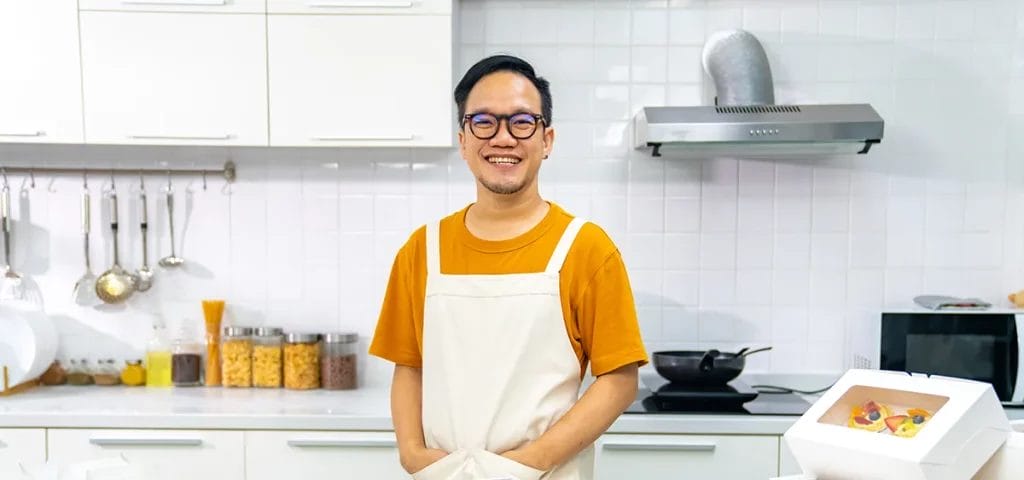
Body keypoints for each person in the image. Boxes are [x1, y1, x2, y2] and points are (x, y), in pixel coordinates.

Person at [369, 54, 648, 480]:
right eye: (484, 122)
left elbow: (619, 380)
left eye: (521, 122)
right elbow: (409, 366)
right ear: (463, 140)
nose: (503, 138)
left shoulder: (586, 248)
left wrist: (530, 463)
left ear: (547, 140)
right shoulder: (422, 250)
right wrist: (410, 453)